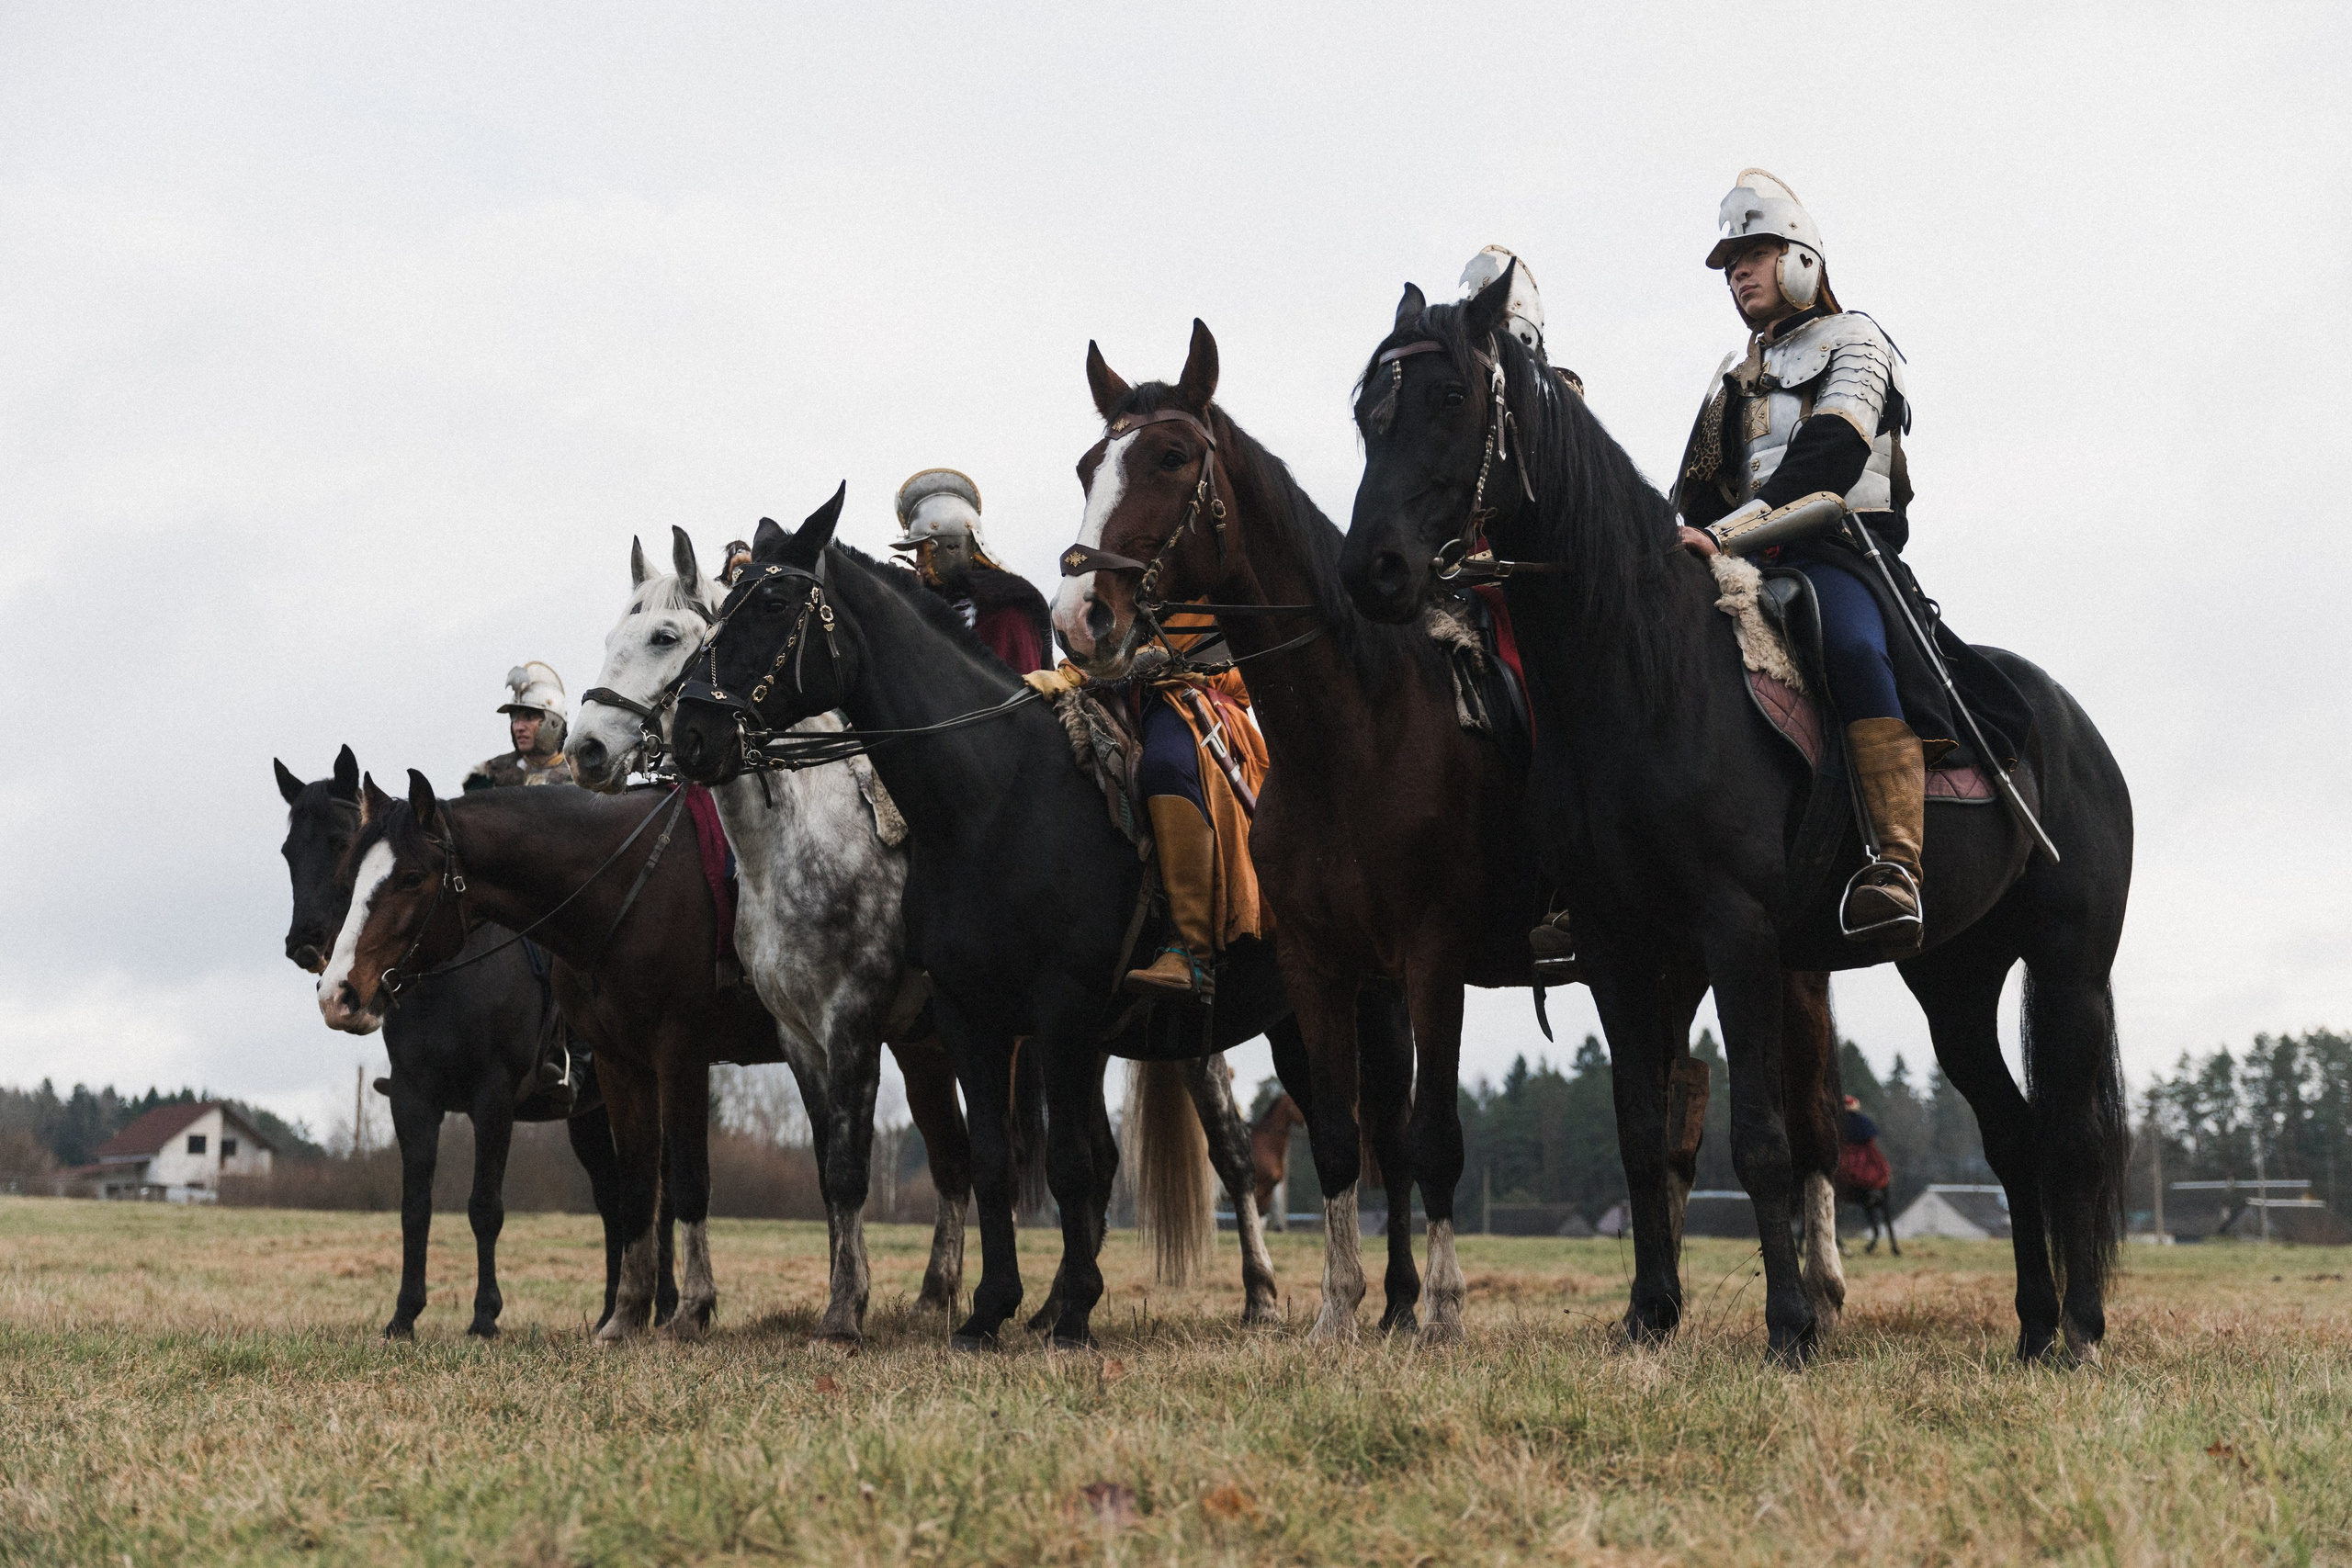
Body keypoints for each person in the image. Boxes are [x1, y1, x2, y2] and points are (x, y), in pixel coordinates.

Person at [1669, 170, 1925, 942]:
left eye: (1754, 252)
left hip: (1837, 549)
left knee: (1849, 642)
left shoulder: (1859, 341)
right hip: (1737, 560)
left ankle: (1897, 860)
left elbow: (1830, 459)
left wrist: (1720, 536)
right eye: (1731, 262)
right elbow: (1695, 495)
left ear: (1802, 258)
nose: (1739, 271)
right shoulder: (1731, 375)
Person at [889, 468, 1054, 675]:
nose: (918, 563)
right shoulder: (931, 606)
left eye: (924, 552)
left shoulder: (1007, 615)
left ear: (951, 547)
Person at [463, 661, 574, 791]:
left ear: (553, 722)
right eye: (515, 718)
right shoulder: (489, 777)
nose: (518, 727)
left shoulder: (584, 777)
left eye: (529, 717)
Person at [1837, 1093, 1899, 1255]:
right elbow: (1871, 1145)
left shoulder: (1838, 1123)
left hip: (1844, 1162)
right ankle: (1893, 1245)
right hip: (1864, 1164)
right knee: (1881, 1174)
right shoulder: (1864, 1122)